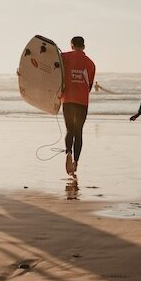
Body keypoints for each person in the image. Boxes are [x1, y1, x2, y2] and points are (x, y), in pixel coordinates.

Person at [60, 36, 96, 176]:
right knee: (78, 131)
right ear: (84, 46)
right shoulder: (91, 64)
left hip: (68, 100)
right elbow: (90, 86)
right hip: (82, 102)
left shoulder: (64, 57)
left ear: (72, 45)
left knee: (69, 129)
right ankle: (76, 162)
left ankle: (68, 152)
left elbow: (52, 70)